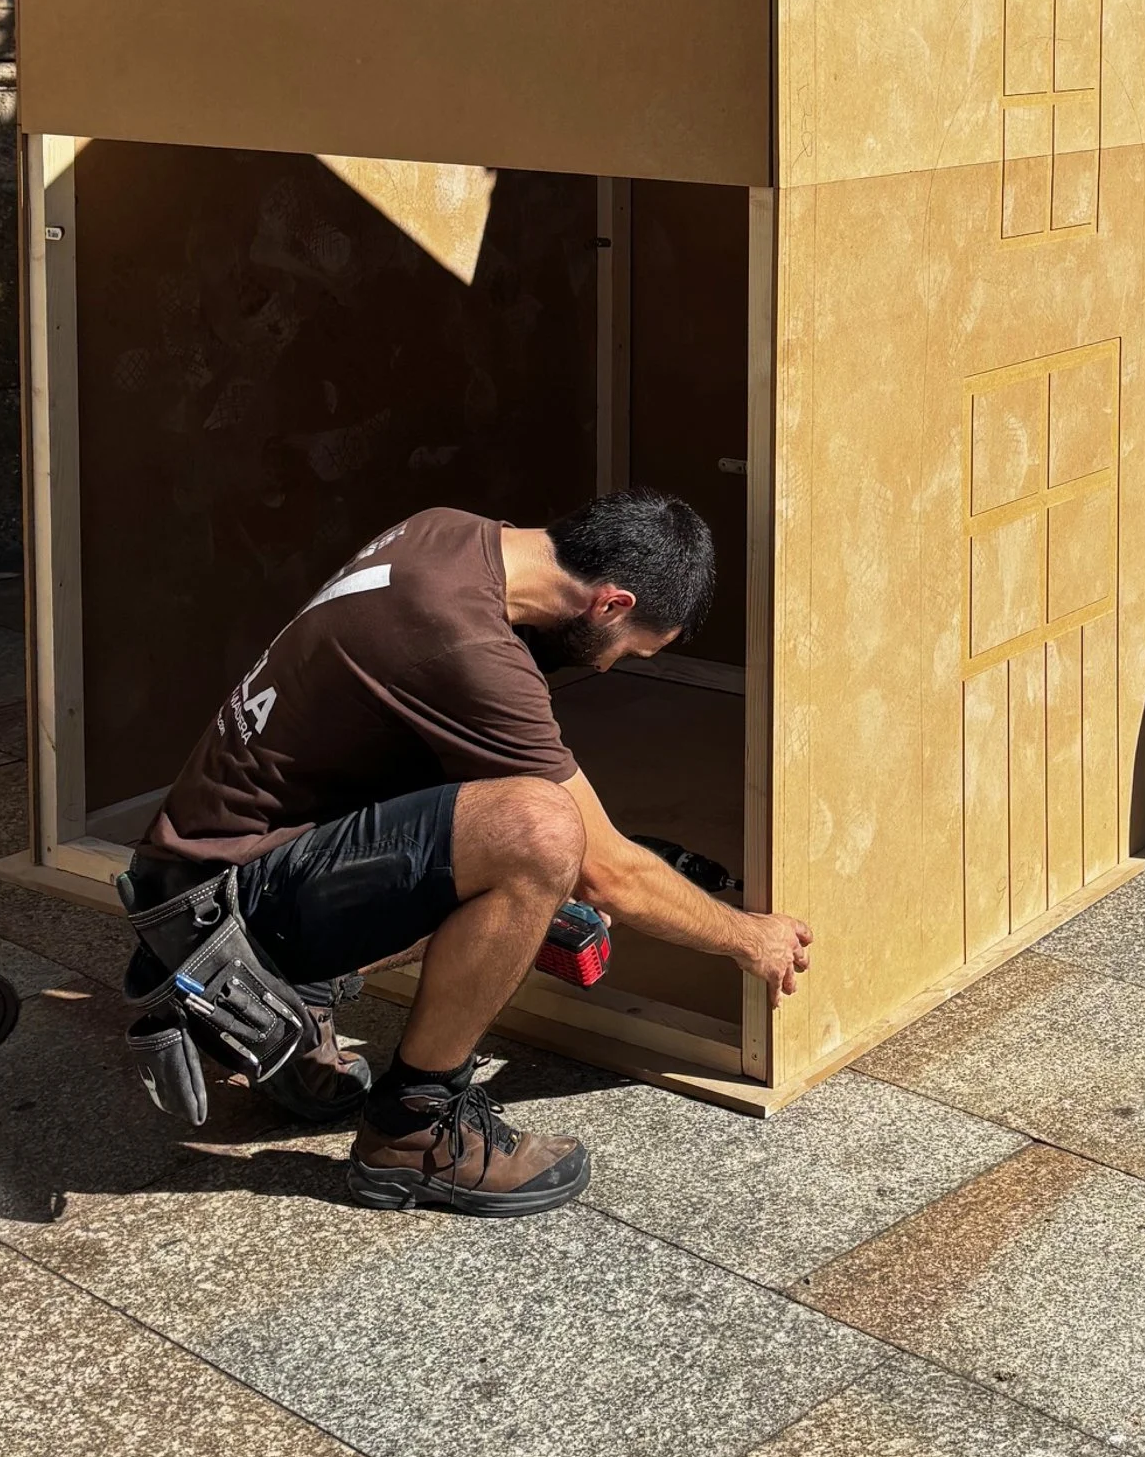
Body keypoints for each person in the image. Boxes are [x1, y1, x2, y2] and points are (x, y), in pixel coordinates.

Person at [121, 493, 811, 1218]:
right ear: (611, 602)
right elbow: (606, 868)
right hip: (220, 915)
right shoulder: (467, 643)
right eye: (631, 647)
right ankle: (413, 1129)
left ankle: (304, 1002)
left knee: (509, 823)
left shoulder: (445, 532)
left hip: (202, 872)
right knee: (542, 832)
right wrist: (747, 935)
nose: (611, 667)